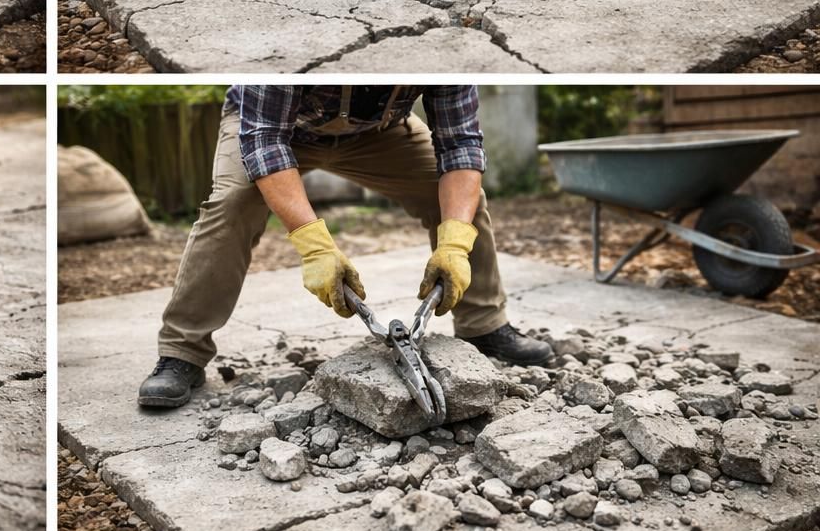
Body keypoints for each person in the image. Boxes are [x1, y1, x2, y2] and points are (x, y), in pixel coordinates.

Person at [138, 84, 552, 408]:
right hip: (278, 129)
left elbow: (461, 146)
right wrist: (315, 247)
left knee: (463, 203)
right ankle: (182, 354)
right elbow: (264, 140)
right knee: (232, 204)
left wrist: (456, 244)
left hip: (379, 133)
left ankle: (484, 327)